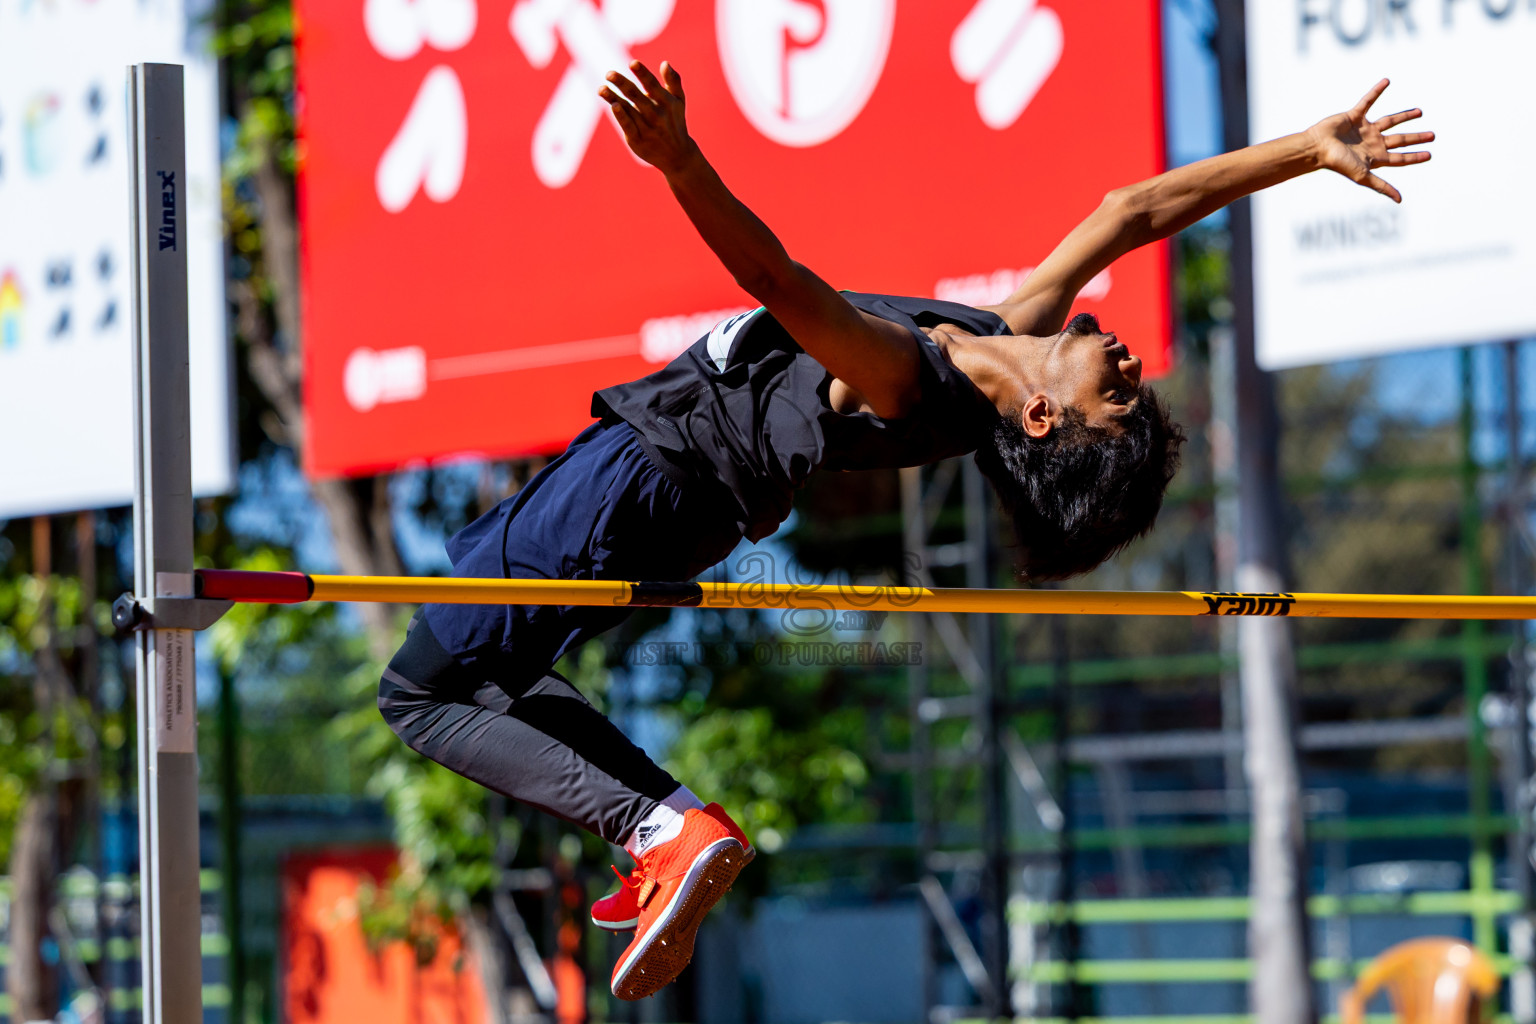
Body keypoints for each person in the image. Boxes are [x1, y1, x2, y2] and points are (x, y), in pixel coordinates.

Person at [378, 63, 1432, 1000]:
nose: (1130, 367)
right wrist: (1306, 149)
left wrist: (681, 160)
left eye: (1118, 399)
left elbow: (778, 284)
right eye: (1134, 385)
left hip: (643, 478)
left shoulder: (910, 382)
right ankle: (667, 827)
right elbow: (1133, 208)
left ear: (1041, 420)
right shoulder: (999, 339)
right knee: (490, 679)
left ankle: (662, 828)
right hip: (662, 494)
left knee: (419, 692)